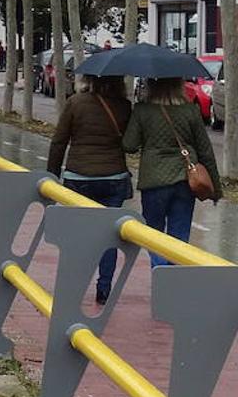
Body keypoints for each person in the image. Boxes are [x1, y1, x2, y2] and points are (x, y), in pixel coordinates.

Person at [47, 75, 133, 304]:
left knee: (78, 234)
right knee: (109, 235)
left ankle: (73, 285)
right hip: (114, 177)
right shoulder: (124, 106)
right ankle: (104, 288)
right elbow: (130, 144)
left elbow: (59, 141)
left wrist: (52, 175)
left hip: (79, 177)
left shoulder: (75, 102)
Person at [123, 76, 223, 267]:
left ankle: (160, 274)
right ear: (179, 85)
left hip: (154, 181)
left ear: (151, 85)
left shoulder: (142, 110)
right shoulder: (191, 111)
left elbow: (129, 145)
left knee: (153, 236)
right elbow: (205, 151)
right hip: (186, 179)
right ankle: (174, 279)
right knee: (179, 237)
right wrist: (215, 190)